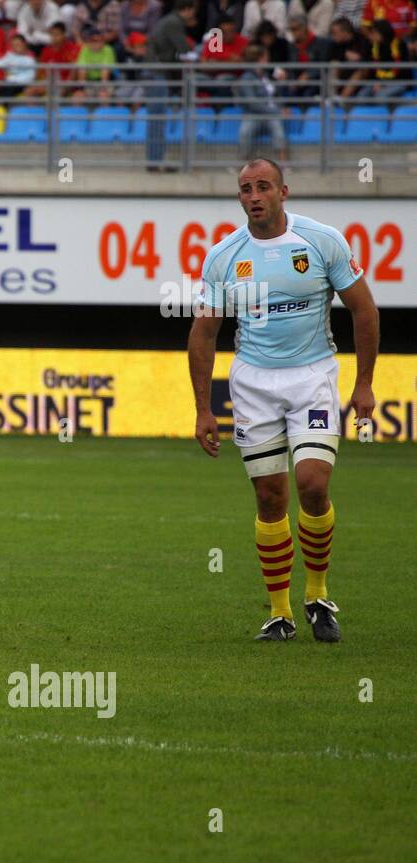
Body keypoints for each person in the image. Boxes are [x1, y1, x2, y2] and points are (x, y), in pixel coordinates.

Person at [188, 158, 379, 643]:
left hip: (312, 376)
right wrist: (203, 408)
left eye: (263, 187)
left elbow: (364, 309)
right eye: (246, 189)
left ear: (283, 192)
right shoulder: (224, 257)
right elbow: (204, 333)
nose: (254, 196)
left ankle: (318, 596)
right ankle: (280, 613)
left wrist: (363, 384)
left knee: (312, 483)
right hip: (253, 384)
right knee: (270, 496)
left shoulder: (321, 241)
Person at [144, 0, 199, 171]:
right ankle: (155, 161)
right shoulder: (174, 22)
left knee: (157, 118)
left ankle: (156, 160)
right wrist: (198, 57)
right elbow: (183, 49)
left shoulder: (168, 20)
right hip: (156, 73)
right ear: (188, 9)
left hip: (155, 72)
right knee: (157, 118)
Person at [235, 45, 289, 160]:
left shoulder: (266, 76)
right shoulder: (246, 78)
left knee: (278, 129)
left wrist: (281, 82)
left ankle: (283, 164)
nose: (268, 61)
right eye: (266, 58)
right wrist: (277, 111)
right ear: (259, 59)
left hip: (271, 115)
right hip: (253, 114)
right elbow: (252, 103)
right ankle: (242, 164)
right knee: (245, 131)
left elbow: (275, 95)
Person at [70, 24, 118, 99]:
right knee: (77, 97)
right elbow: (82, 71)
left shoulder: (108, 50)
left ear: (103, 41)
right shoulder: (85, 49)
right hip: (89, 82)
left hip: (106, 83)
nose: (96, 43)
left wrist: (103, 90)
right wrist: (81, 90)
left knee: (103, 96)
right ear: (88, 41)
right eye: (93, 40)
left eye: (98, 40)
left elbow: (105, 72)